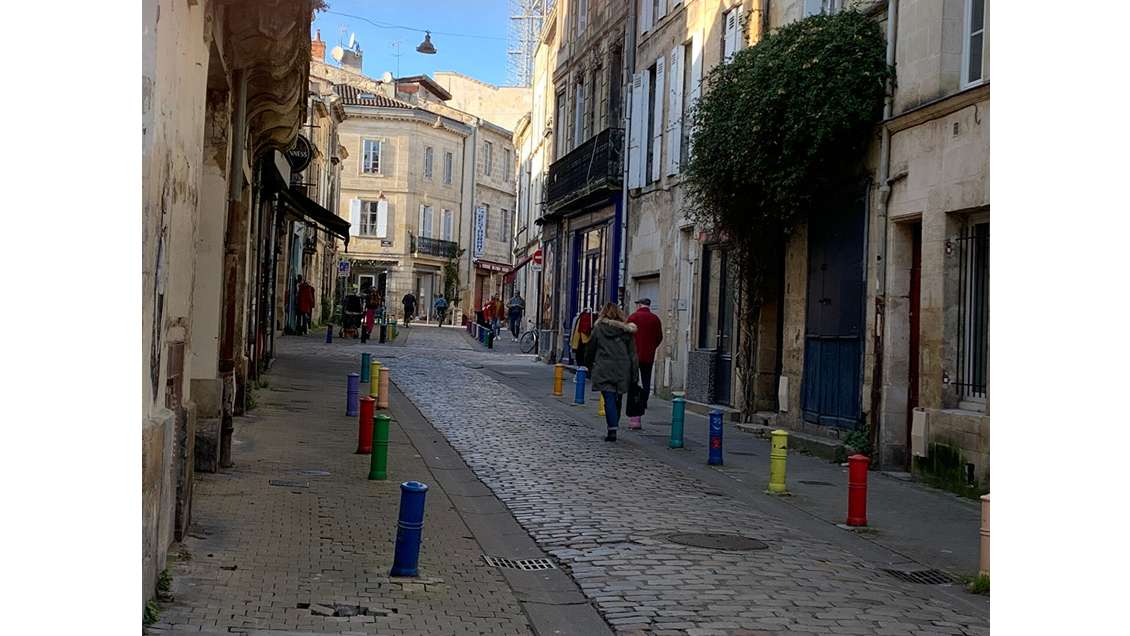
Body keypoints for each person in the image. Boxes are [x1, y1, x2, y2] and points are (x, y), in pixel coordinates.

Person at [583, 303, 639, 442]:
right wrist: (634, 374)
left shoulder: (599, 328)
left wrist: (588, 366)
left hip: (604, 368)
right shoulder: (626, 331)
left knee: (608, 399)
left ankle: (612, 429)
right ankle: (614, 425)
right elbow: (633, 354)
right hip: (622, 368)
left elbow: (591, 349)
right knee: (618, 398)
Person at [626, 298, 663, 429]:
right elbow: (659, 337)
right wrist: (652, 347)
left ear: (639, 305)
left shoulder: (633, 317)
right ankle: (644, 401)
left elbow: (626, 334)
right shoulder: (655, 319)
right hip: (648, 354)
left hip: (634, 354)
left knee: (634, 380)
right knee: (646, 379)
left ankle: (634, 401)